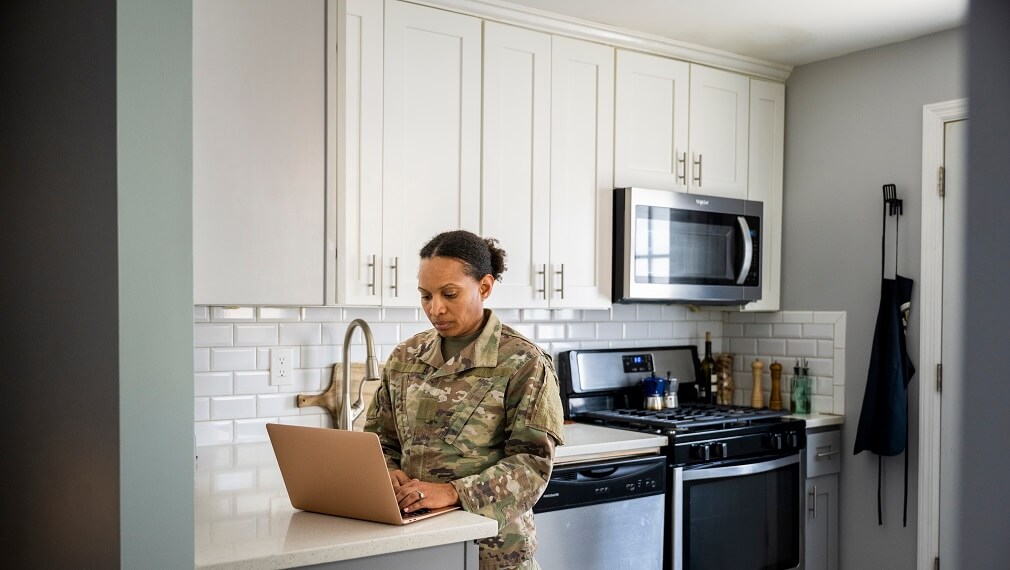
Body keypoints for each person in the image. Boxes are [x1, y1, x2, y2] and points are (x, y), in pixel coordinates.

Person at [364, 230, 565, 569]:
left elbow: (532, 464)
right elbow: (379, 438)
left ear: (484, 287)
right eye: (425, 296)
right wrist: (389, 470)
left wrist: (453, 492)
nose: (435, 308)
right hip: (414, 547)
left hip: (492, 552)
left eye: (449, 294)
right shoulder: (405, 356)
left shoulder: (523, 362)